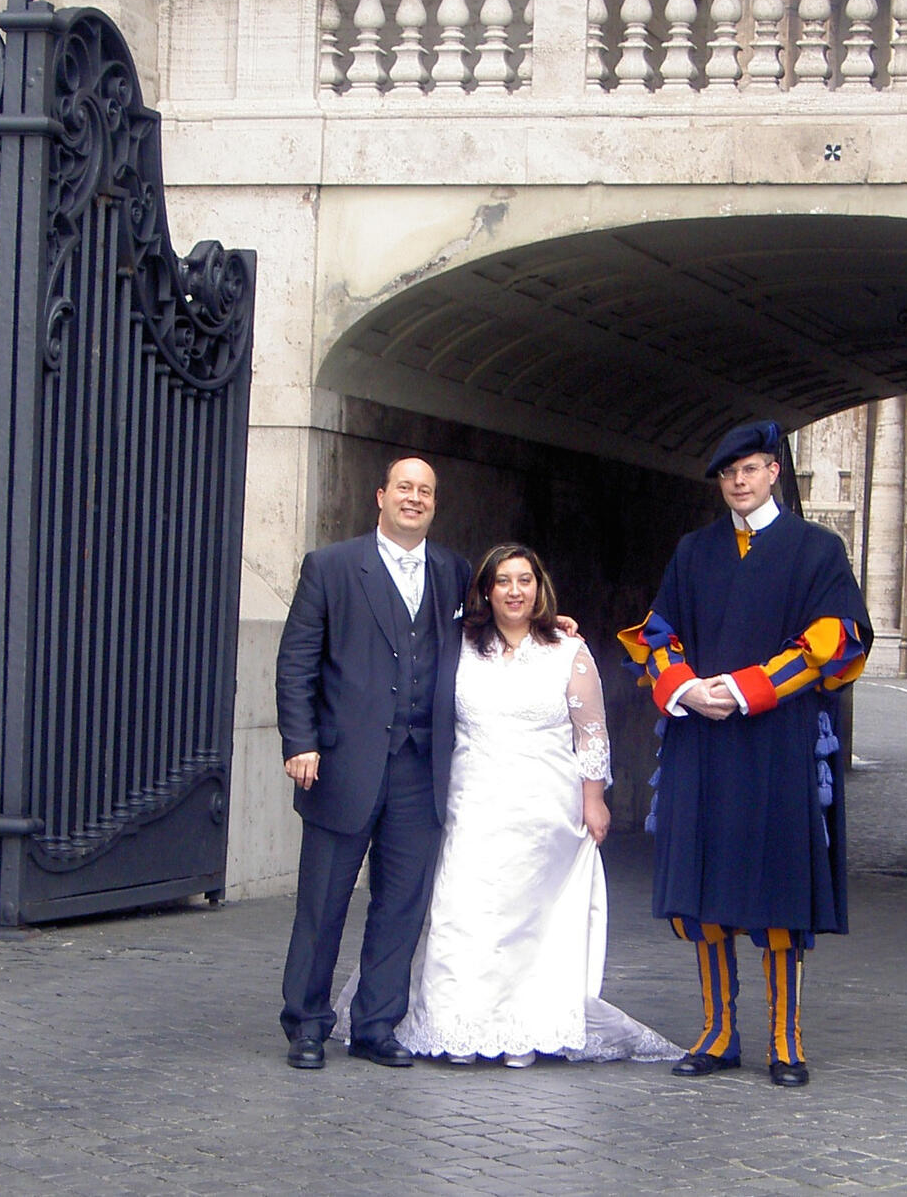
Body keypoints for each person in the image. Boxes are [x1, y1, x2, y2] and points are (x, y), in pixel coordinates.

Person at [333, 543, 680, 1066]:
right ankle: (456, 1026)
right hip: (471, 798)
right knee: (462, 912)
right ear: (486, 591)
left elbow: (591, 733)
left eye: (525, 580)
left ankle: (525, 1028)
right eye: (503, 581)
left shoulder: (569, 650)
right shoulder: (461, 645)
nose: (514, 591)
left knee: (529, 917)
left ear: (539, 588)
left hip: (544, 804)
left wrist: (594, 800)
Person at [618, 419, 872, 1086]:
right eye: (729, 473)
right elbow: (659, 634)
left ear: (774, 472)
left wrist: (745, 688)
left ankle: (785, 1041)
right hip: (702, 738)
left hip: (777, 741)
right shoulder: (693, 550)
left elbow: (836, 640)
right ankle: (718, 1032)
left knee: (779, 887)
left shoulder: (816, 550)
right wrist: (683, 687)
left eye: (751, 469)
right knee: (704, 891)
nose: (739, 481)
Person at [276, 456, 471, 1071]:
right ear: (381, 495)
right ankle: (306, 1023)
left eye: (427, 492)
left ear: (435, 505)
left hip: (422, 768)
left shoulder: (453, 572)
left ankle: (377, 1024)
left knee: (401, 904)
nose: (414, 498)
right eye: (404, 488)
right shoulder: (330, 567)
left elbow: (497, 630)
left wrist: (553, 630)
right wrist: (299, 741)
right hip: (341, 764)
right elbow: (297, 661)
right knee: (323, 901)